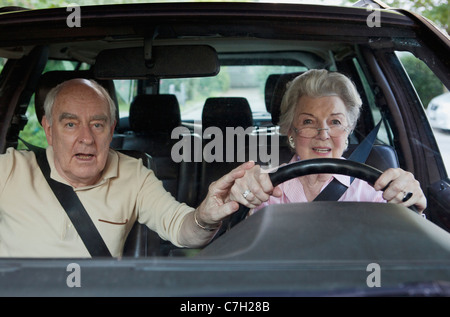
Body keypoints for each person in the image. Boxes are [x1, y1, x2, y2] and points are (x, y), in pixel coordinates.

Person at [0, 78, 247, 257]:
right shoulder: (10, 168)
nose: (86, 138)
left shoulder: (133, 173)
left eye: (97, 125)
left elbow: (181, 229)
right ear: (49, 130)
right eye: (71, 125)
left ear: (112, 130)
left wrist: (204, 218)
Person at [229, 69, 427, 214]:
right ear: (290, 130)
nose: (323, 134)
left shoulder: (375, 190)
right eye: (308, 121)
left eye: (335, 122)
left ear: (348, 130)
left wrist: (414, 209)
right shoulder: (262, 188)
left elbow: (403, 247)